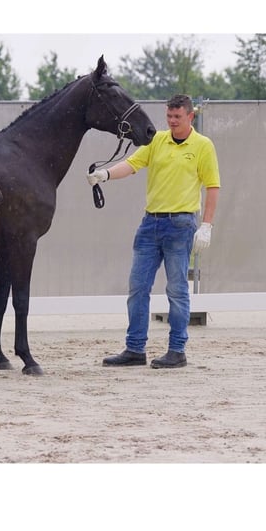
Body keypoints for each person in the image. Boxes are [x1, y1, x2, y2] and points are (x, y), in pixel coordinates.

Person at [86, 94, 220, 369]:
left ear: (190, 116)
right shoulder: (157, 140)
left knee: (177, 289)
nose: (172, 122)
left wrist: (206, 225)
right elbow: (133, 164)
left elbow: (212, 186)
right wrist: (106, 174)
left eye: (177, 117)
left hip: (180, 224)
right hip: (150, 224)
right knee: (138, 287)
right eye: (169, 117)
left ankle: (177, 349)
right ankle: (135, 349)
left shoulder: (203, 146)